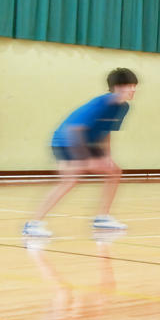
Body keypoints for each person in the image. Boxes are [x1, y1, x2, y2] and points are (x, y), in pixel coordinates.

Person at [22, 68, 137, 237]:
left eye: (134, 85)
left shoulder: (123, 107)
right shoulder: (102, 103)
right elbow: (74, 129)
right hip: (66, 141)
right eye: (129, 85)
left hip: (87, 141)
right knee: (70, 180)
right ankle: (33, 224)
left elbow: (107, 131)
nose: (133, 89)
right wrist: (83, 159)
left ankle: (102, 218)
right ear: (117, 87)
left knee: (114, 171)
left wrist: (107, 157)